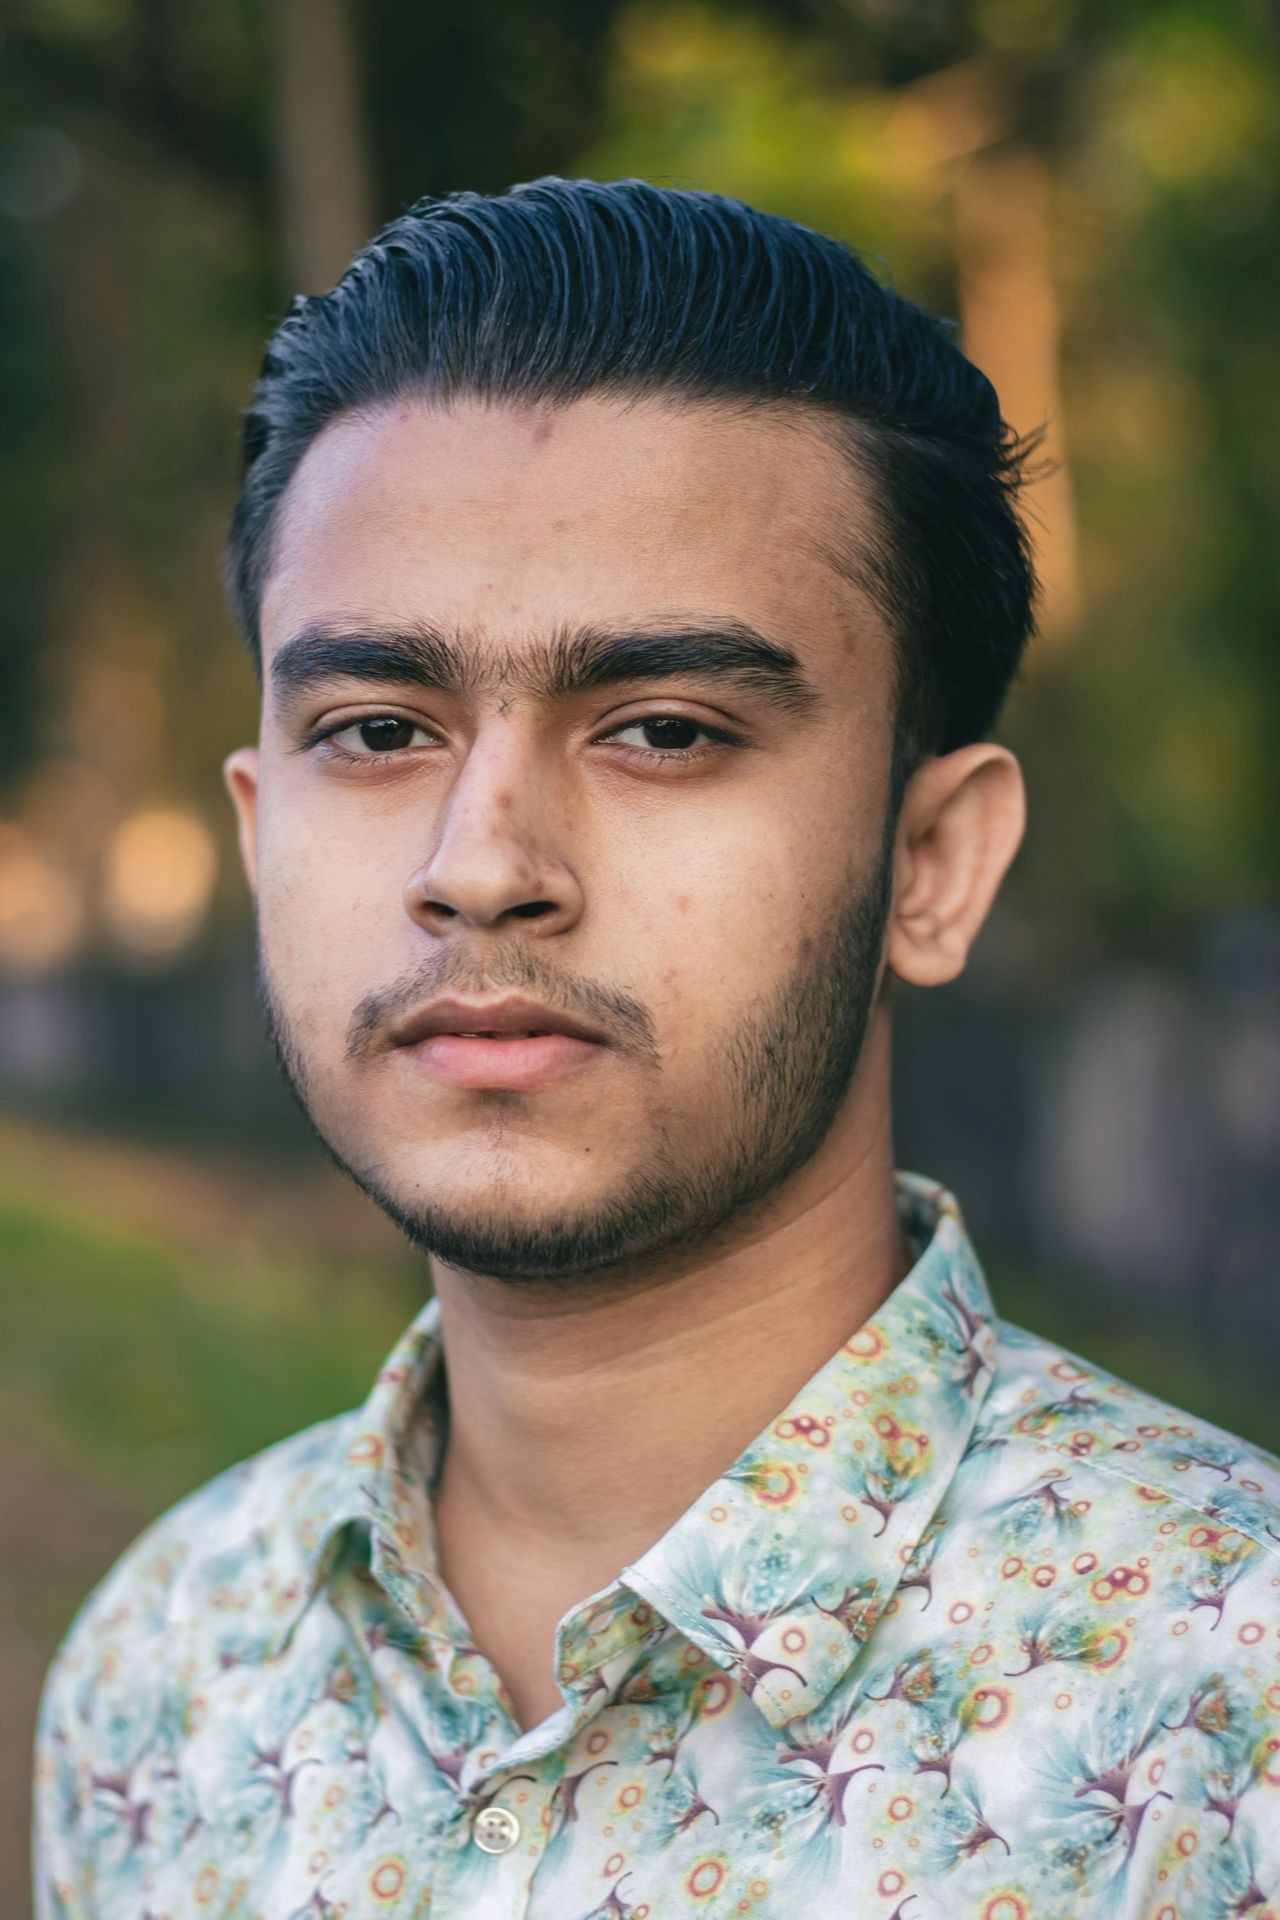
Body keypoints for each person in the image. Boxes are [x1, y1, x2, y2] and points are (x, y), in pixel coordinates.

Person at [33, 177, 1280, 1920]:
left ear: (932, 864)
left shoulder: (1229, 1724)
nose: (480, 862)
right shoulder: (165, 1675)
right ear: (258, 837)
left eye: (667, 730)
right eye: (380, 727)